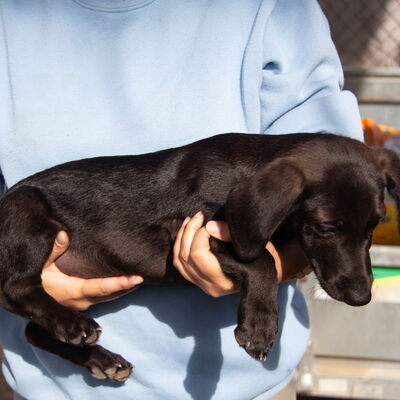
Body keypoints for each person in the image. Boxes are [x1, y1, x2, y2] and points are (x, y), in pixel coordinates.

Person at [0, 0, 363, 399]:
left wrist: (271, 266)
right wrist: (25, 291)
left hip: (247, 388)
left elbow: (338, 202)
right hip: (52, 388)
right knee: (24, 212)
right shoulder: (11, 17)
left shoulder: (273, 10)